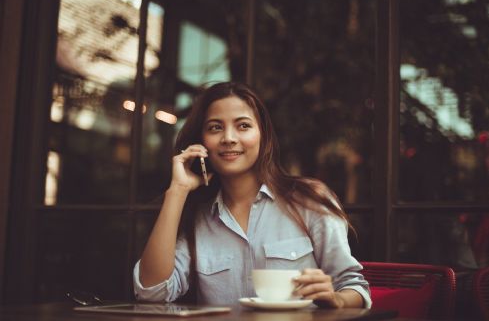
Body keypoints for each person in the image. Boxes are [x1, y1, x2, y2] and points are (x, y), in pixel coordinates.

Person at [133, 82, 371, 308]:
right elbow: (151, 292)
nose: (228, 138)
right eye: (215, 127)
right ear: (202, 142)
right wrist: (177, 191)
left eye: (243, 125)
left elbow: (355, 288)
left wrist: (336, 299)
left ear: (263, 136)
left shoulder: (308, 200)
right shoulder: (198, 218)